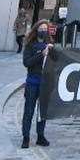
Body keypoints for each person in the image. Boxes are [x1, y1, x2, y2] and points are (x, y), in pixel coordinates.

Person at [21, 19, 53, 149]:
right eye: (41, 29)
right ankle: (26, 137)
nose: (43, 31)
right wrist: (41, 54)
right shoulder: (30, 45)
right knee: (29, 110)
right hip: (32, 82)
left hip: (45, 83)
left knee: (42, 111)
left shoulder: (49, 44)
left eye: (46, 29)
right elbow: (27, 62)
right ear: (36, 30)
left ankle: (40, 135)